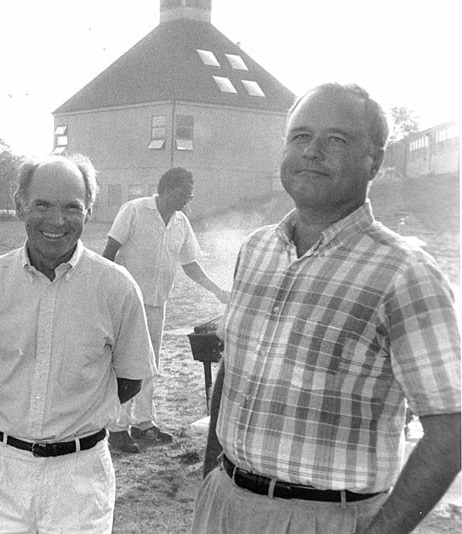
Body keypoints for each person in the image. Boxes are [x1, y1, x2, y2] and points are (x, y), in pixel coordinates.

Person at [192, 83, 461, 534]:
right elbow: (232, 373)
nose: (312, 152)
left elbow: (450, 428)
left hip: (328, 519)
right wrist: (210, 479)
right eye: (300, 137)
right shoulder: (256, 250)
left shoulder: (405, 272)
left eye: (336, 140)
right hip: (225, 505)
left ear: (374, 160)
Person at [0, 154, 156, 533]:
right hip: (0, 472)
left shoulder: (116, 287)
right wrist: (14, 417)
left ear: (89, 209)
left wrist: (72, 420)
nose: (57, 221)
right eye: (43, 204)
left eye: (72, 207)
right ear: (20, 204)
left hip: (81, 476)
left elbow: (131, 378)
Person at [103, 167, 230, 453]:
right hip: (126, 303)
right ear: (170, 190)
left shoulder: (181, 222)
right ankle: (117, 429)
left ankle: (144, 423)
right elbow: (109, 254)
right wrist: (108, 295)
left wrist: (218, 291)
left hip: (158, 303)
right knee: (126, 363)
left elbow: (190, 265)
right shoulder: (134, 210)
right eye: (187, 191)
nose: (190, 196)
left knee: (149, 364)